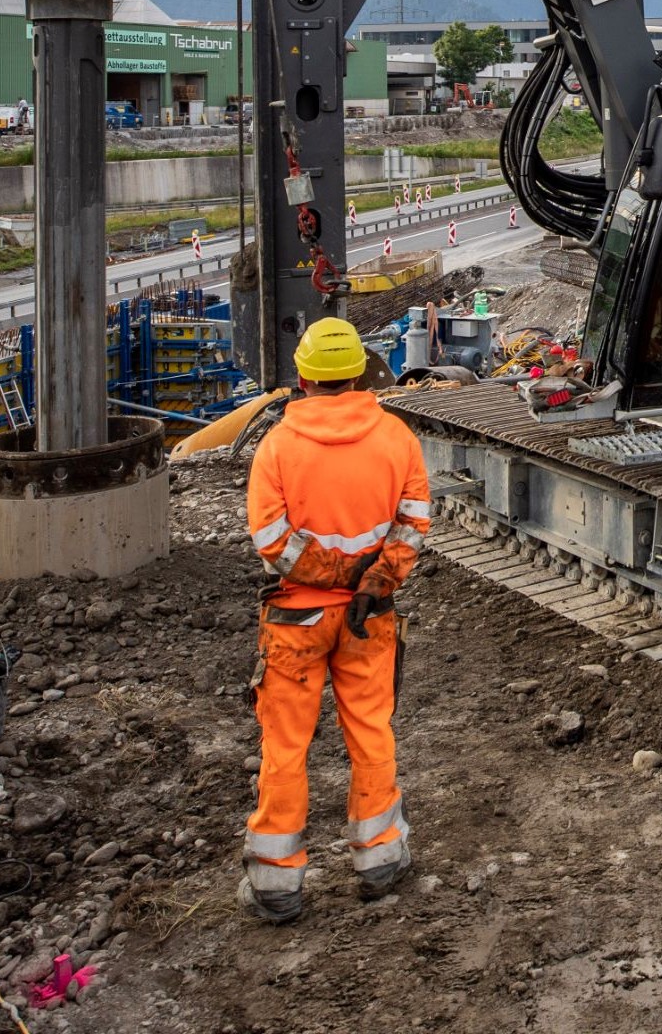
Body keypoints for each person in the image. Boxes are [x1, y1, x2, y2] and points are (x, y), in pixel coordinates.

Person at [241, 317, 430, 924]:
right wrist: (374, 581)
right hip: (368, 618)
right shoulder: (396, 437)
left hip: (296, 620)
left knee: (285, 747)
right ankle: (379, 859)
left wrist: (326, 574)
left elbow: (271, 539)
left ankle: (276, 885)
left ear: (301, 378)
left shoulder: (277, 446)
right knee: (371, 732)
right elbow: (413, 521)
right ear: (358, 374)